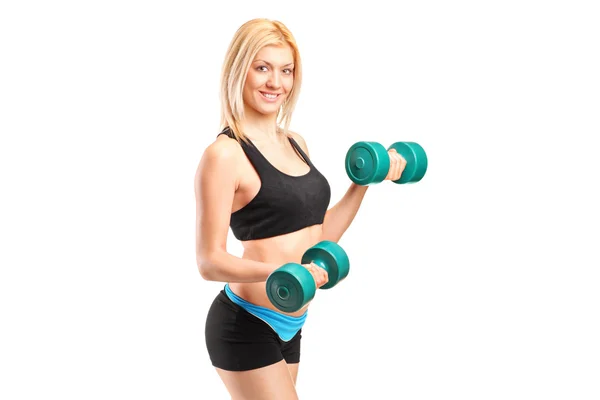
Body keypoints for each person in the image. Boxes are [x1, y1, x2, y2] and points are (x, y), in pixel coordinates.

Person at [194, 18, 406, 400]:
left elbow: (319, 237)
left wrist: (363, 182)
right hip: (245, 322)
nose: (276, 82)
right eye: (262, 68)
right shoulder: (223, 155)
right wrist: (284, 272)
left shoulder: (296, 142)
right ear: (239, 70)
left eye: (285, 70)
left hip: (293, 321)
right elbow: (209, 261)